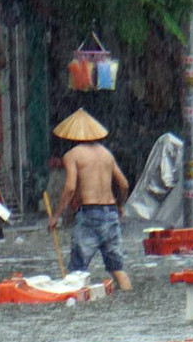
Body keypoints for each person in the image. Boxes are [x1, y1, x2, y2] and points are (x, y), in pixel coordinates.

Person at [48, 109, 132, 291]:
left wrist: (56, 216)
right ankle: (129, 300)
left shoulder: (72, 155)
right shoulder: (106, 154)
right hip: (110, 213)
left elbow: (70, 187)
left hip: (89, 214)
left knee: (76, 272)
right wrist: (119, 205)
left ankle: (75, 312)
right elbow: (124, 184)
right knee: (117, 269)